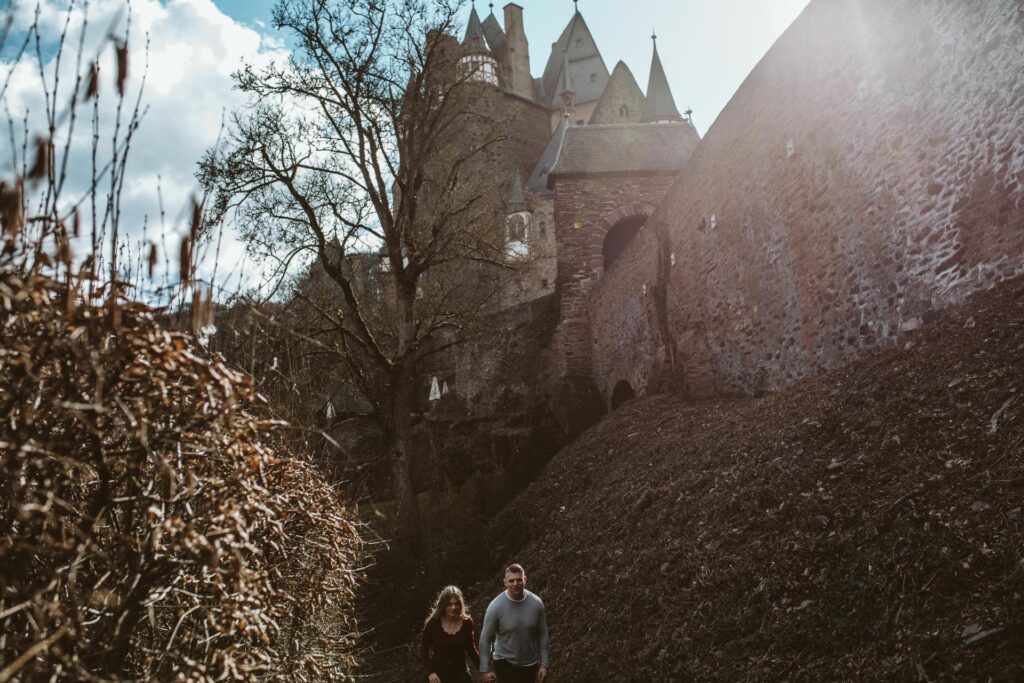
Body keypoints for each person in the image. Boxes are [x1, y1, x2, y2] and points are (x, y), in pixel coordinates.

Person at [479, 564, 550, 683]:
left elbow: (543, 635)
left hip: (529, 663)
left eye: (519, 580)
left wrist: (545, 664)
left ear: (525, 580)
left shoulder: (536, 603)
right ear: (505, 582)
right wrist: (484, 669)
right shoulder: (495, 606)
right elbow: (485, 638)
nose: (515, 584)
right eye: (511, 581)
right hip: (504, 663)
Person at [420, 585, 480, 683]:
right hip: (438, 675)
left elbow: (471, 650)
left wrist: (484, 670)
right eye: (449, 604)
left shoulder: (467, 623)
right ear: (443, 605)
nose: (453, 607)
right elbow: (424, 651)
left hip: (460, 673)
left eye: (456, 604)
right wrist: (431, 672)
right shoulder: (433, 623)